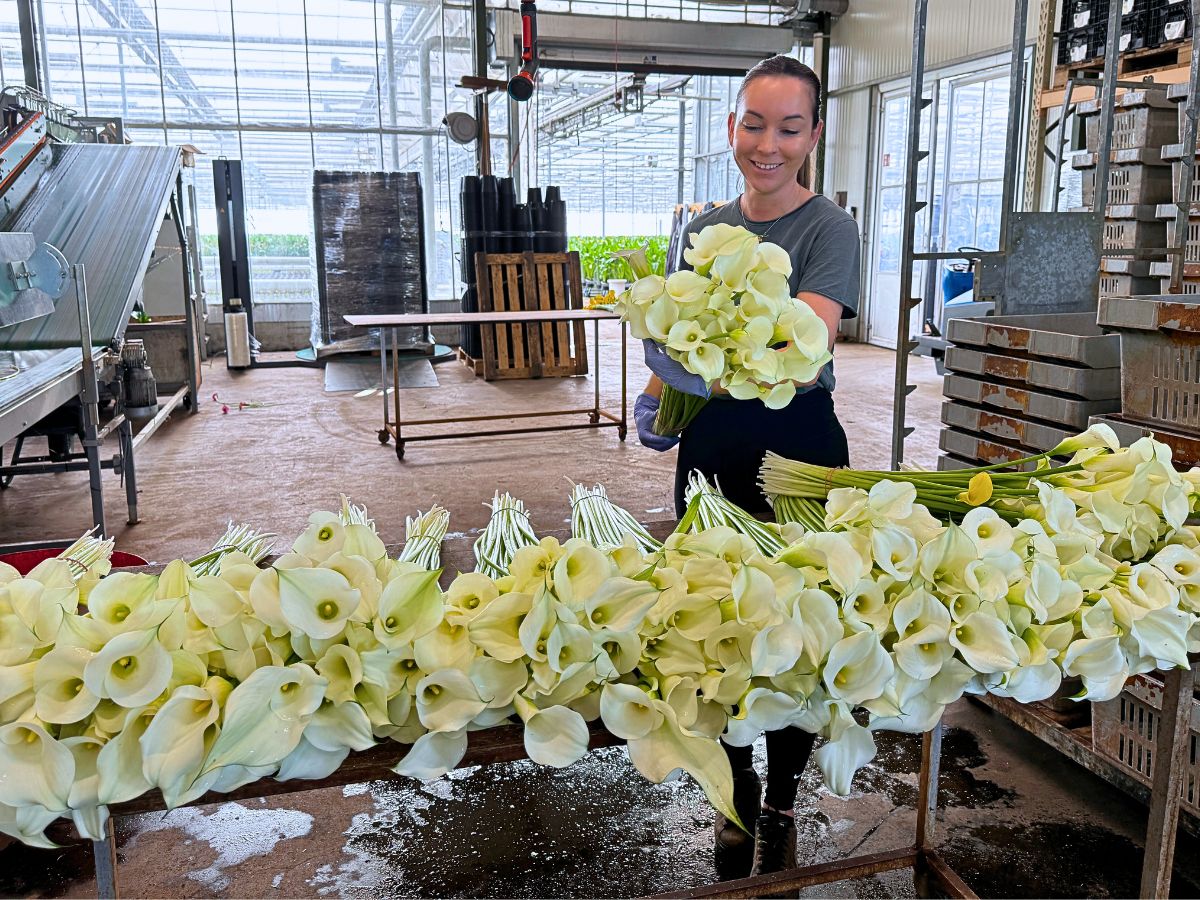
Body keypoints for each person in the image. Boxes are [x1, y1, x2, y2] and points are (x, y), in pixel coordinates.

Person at [634, 55, 861, 880]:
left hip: (798, 442)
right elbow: (671, 332)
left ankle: (784, 794)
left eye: (788, 127)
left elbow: (806, 349)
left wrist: (699, 362)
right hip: (713, 444)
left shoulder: (827, 229)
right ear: (732, 127)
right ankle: (730, 790)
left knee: (795, 624)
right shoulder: (697, 227)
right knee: (712, 624)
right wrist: (662, 388)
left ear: (813, 134)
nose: (767, 145)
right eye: (753, 125)